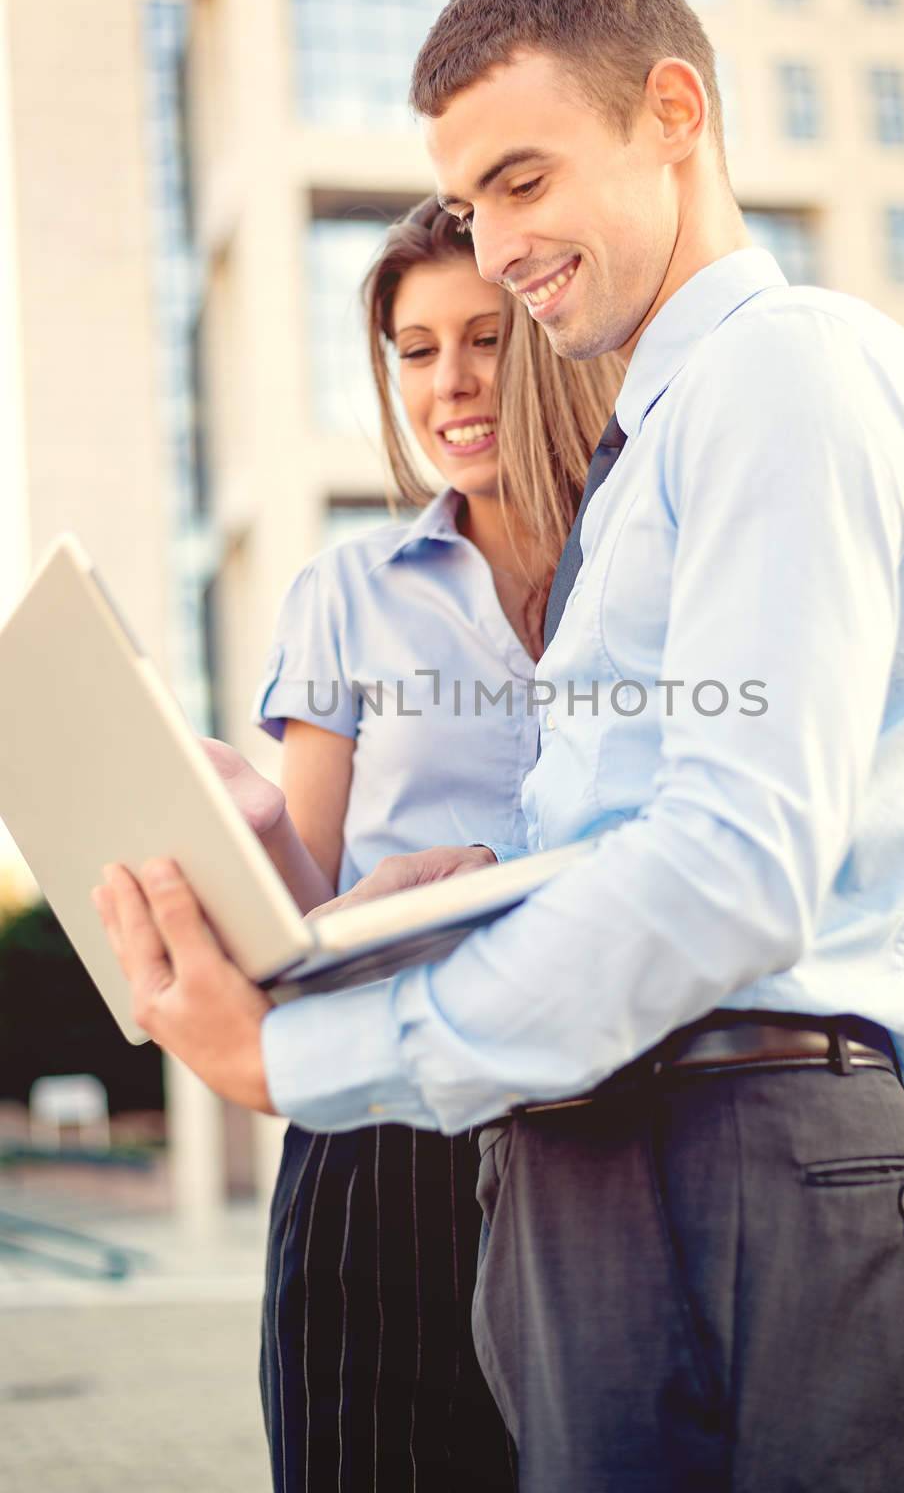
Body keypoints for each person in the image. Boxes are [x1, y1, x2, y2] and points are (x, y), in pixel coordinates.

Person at [94, 0, 904, 1492]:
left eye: (525, 181)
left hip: (733, 1152)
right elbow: (639, 821)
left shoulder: (781, 376)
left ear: (673, 113)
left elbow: (732, 861)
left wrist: (297, 1065)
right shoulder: (660, 442)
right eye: (470, 202)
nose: (499, 244)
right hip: (612, 1158)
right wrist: (412, 901)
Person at [197, 194, 620, 1492]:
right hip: (381, 1140)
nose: (452, 383)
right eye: (417, 348)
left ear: (553, 334)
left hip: (601, 1135)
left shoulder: (646, 578)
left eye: (485, 337)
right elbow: (301, 927)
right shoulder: (345, 595)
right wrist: (299, 870)